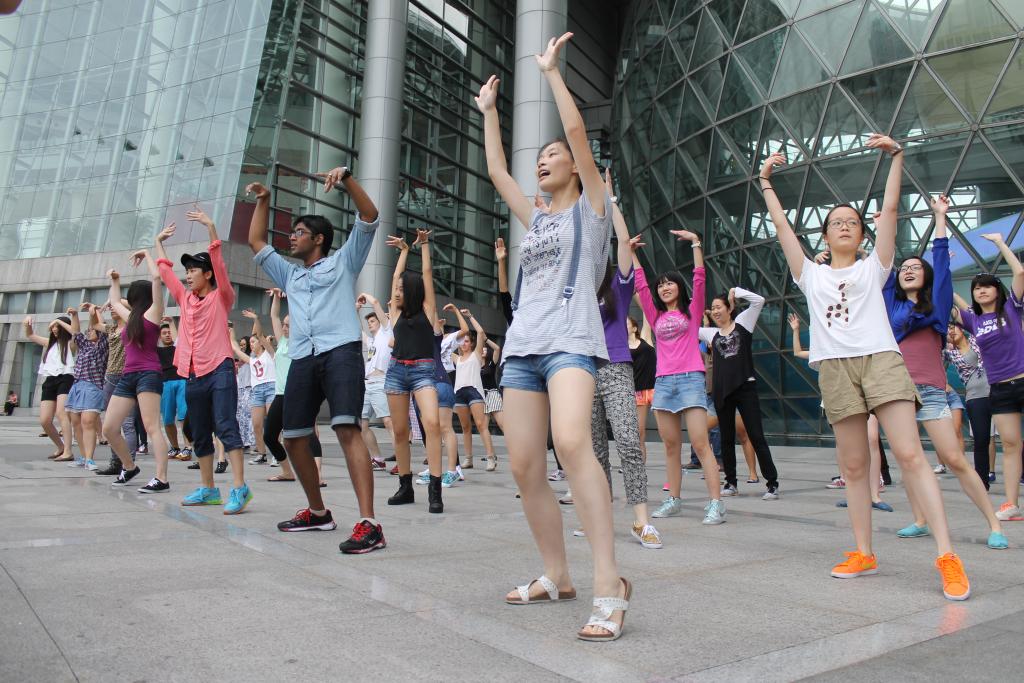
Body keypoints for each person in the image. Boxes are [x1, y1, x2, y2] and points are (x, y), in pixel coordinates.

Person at [761, 134, 970, 600]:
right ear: (825, 234)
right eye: (835, 222)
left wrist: (896, 157)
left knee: (911, 455)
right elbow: (780, 228)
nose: (843, 226)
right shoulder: (809, 272)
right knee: (855, 467)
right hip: (835, 369)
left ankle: (947, 555)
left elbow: (891, 211)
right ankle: (863, 551)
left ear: (862, 233)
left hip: (880, 361)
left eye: (852, 222)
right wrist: (766, 183)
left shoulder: (875, 267)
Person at [475, 32, 630, 642]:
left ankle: (609, 585)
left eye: (553, 154)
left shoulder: (592, 207)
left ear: (574, 165)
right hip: (521, 350)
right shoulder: (536, 217)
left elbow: (582, 140)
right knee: (522, 465)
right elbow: (493, 169)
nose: (544, 160)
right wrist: (489, 114)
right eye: (538, 156)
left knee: (571, 442)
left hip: (571, 341)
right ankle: (555, 574)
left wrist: (549, 74)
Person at [248, 166, 385, 553]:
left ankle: (369, 523)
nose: (292, 238)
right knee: (292, 438)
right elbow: (256, 240)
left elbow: (370, 217)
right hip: (304, 358)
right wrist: (264, 200)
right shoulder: (290, 274)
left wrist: (347, 181)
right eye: (292, 233)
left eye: (300, 233)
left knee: (346, 430)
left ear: (319, 239)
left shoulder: (343, 261)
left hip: (340, 351)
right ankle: (318, 511)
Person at [883, 195, 1005, 548]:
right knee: (909, 460)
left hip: (933, 390)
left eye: (915, 267)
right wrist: (882, 229)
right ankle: (920, 519)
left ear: (927, 277)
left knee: (953, 458)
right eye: (905, 267)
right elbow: (884, 265)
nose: (908, 269)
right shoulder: (890, 304)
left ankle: (994, 523)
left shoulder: (935, 303)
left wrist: (939, 218)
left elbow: (940, 261)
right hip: (895, 390)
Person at [155, 210, 251, 514]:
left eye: (194, 269)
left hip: (220, 369)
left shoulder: (221, 296)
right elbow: (166, 273)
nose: (188, 274)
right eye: (188, 270)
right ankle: (209, 489)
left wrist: (211, 229)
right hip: (193, 374)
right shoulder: (185, 299)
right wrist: (158, 243)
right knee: (199, 431)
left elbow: (220, 265)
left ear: (207, 273)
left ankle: (240, 488)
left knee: (226, 426)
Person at [588, 168, 659, 549]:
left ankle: (641, 521)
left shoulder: (618, 283)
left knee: (629, 441)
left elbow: (619, 243)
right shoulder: (580, 286)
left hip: (616, 367)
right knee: (595, 450)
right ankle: (598, 518)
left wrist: (609, 200)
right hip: (582, 370)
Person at [634, 231, 724, 523]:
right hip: (664, 383)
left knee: (700, 443)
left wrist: (697, 242)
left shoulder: (692, 311)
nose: (664, 288)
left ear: (678, 288)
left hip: (690, 379)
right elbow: (641, 287)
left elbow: (700, 278)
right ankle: (673, 499)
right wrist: (632, 253)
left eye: (670, 283)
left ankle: (715, 504)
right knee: (671, 446)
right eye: (661, 285)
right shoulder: (655, 316)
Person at [953, 231, 1024, 522]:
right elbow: (945, 296)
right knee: (1010, 444)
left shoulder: (1011, 308)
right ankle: (1011, 503)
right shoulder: (973, 319)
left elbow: (1020, 271)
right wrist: (944, 264)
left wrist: (999, 244)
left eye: (987, 287)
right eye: (977, 288)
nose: (981, 291)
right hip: (999, 388)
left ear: (997, 289)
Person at [381, 229, 444, 512]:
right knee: (399, 432)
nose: (396, 292)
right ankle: (405, 486)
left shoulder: (428, 310)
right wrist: (405, 250)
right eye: (396, 290)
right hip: (396, 371)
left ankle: (435, 489)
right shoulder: (394, 311)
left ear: (412, 292)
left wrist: (425, 245)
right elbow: (395, 278)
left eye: (401, 289)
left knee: (432, 423)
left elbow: (427, 274)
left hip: (422, 371)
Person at [700, 287, 780, 500]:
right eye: (712, 309)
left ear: (729, 308)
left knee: (756, 435)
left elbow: (759, 300)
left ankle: (772, 483)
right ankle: (731, 482)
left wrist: (737, 292)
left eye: (719, 307)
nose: (715, 311)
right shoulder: (711, 333)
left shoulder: (744, 323)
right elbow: (687, 328)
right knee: (726, 438)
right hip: (722, 392)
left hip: (745, 388)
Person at [101, 249, 170, 492]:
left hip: (148, 374)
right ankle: (129, 467)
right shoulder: (129, 317)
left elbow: (157, 278)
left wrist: (147, 254)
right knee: (109, 428)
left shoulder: (153, 314)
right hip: (127, 375)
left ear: (137, 296)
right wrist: (115, 279)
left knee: (152, 427)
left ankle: (161, 478)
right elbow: (114, 298)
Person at [56, 304, 109, 471]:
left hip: (93, 386)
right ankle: (83, 456)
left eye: (92, 330)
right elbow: (75, 332)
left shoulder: (102, 347)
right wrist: (74, 315)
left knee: (88, 422)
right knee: (76, 423)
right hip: (77, 385)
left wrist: (95, 313)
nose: (89, 332)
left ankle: (90, 459)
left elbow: (103, 328)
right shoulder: (84, 346)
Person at [946, 323, 995, 489]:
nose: (950, 331)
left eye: (953, 327)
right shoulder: (950, 353)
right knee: (981, 440)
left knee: (1011, 438)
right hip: (975, 398)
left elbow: (975, 321)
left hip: (997, 391)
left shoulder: (975, 340)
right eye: (947, 330)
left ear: (962, 329)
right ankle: (982, 482)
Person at [449, 307, 497, 473]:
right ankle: (468, 458)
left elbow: (480, 332)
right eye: (461, 342)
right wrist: (441, 327)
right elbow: (442, 346)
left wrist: (469, 317)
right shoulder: (456, 358)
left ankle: (491, 457)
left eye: (467, 341)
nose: (464, 344)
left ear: (472, 343)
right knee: (465, 427)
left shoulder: (477, 354)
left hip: (474, 391)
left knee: (481, 424)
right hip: (460, 393)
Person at [23, 314, 75, 460]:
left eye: (57, 326)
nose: (54, 329)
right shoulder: (50, 343)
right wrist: (27, 323)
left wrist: (58, 320)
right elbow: (30, 335)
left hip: (65, 378)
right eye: (52, 327)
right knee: (45, 420)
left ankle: (68, 451)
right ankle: (61, 447)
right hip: (50, 380)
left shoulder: (71, 343)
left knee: (61, 413)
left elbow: (75, 331)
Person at [234, 309, 275, 466]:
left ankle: (277, 455)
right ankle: (262, 453)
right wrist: (229, 332)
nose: (251, 344)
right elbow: (236, 349)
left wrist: (256, 319)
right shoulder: (251, 359)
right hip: (257, 390)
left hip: (271, 387)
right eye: (250, 342)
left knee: (272, 423)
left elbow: (258, 335)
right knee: (257, 425)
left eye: (253, 342)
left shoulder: (269, 353)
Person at [358, 295, 394, 469]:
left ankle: (402, 462)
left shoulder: (387, 332)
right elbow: (358, 329)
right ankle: (378, 459)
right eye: (369, 322)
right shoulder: (372, 341)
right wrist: (356, 310)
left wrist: (366, 296)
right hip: (367, 384)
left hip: (381, 382)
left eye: (373, 321)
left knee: (388, 421)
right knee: (362, 424)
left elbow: (377, 304)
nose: (370, 323)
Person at [157, 318, 192, 461]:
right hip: (165, 384)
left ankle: (188, 447)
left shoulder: (178, 347)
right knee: (167, 419)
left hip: (181, 381)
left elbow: (178, 339)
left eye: (169, 332)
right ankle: (175, 447)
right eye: (164, 333)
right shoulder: (156, 350)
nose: (167, 335)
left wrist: (171, 323)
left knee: (183, 416)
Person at [626, 315, 655, 463]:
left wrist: (644, 296)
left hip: (654, 389)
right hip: (637, 391)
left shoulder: (644, 339)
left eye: (627, 323)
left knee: (666, 431)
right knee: (639, 431)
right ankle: (639, 465)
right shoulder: (622, 347)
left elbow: (647, 317)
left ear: (634, 328)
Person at [234, 333, 255, 458]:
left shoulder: (251, 356)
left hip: (249, 388)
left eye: (244, 345)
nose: (242, 347)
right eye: (240, 345)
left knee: (248, 416)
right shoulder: (240, 361)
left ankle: (252, 441)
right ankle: (243, 440)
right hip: (241, 390)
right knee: (240, 416)